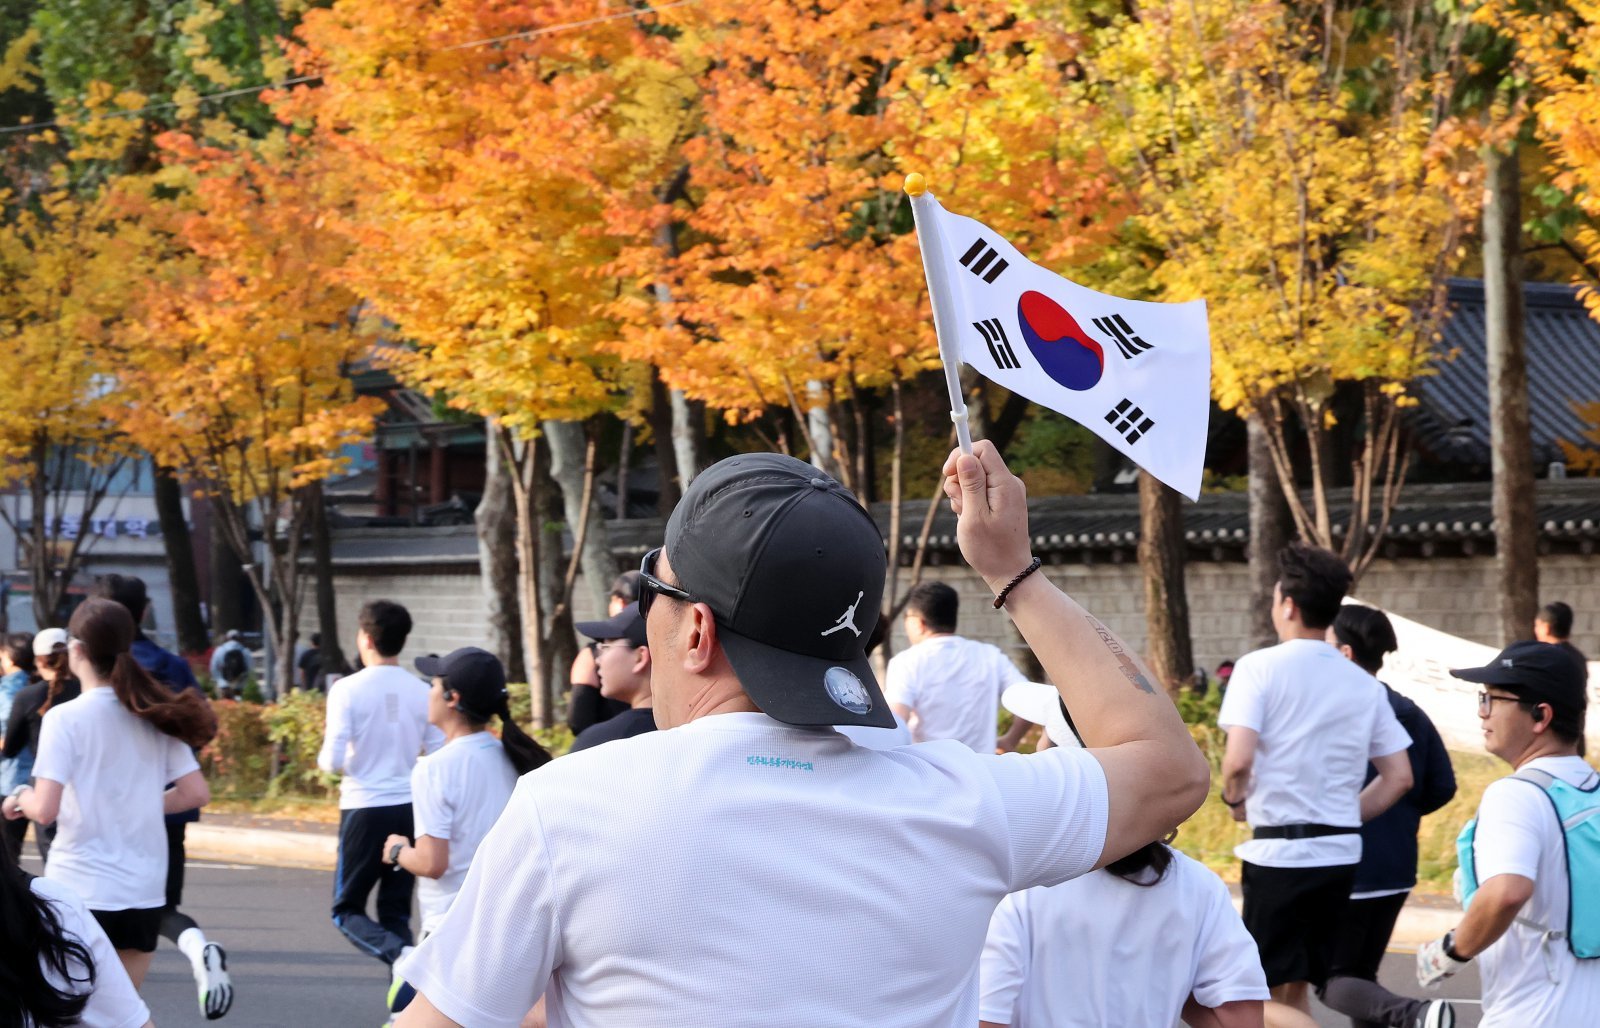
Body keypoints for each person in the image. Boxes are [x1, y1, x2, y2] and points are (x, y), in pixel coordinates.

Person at [390, 444, 1210, 1028]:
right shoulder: (962, 803)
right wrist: (1014, 571)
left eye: (653, 595)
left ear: (697, 632)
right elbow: (1168, 769)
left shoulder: (565, 811)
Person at [979, 681, 1274, 1027]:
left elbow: (986, 1019)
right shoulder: (1198, 886)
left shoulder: (1014, 885)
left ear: (1060, 768)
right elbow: (1240, 1021)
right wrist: (1168, 979)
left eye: (1045, 740)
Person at [1218, 543, 1415, 1025]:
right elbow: (1400, 777)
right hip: (1340, 857)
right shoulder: (1362, 683)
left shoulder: (1257, 668)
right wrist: (1347, 815)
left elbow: (1238, 760)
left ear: (1288, 604)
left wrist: (1234, 798)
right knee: (1292, 989)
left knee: (1245, 996)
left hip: (1280, 856)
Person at [1, 598, 215, 993]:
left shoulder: (64, 718)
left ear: (76, 650)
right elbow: (194, 792)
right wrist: (144, 804)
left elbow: (44, 810)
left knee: (70, 1012)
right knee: (125, 1014)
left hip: (80, 893)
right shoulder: (152, 712)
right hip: (144, 893)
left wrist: (18, 798)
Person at [1416, 641, 1600, 1026]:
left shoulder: (1515, 795)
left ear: (1540, 716)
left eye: (1491, 699)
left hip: (1533, 1013)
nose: (1482, 714)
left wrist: (1449, 952)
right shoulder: (1591, 790)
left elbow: (1506, 891)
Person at [382, 647, 552, 1017]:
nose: (428, 692)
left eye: (433, 684)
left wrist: (397, 850)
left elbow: (432, 863)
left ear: (452, 698)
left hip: (449, 930)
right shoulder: (514, 755)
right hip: (507, 927)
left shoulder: (434, 769)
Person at [96, 573, 233, 1019]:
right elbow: (196, 729)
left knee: (88, 927)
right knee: (159, 910)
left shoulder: (95, 673)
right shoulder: (171, 666)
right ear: (143, 612)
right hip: (166, 811)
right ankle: (197, 947)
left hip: (100, 820)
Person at [1321, 605, 1458, 1028]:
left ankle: (1415, 1014)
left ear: (1344, 654)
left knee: (1331, 980)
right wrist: (1399, 817)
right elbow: (1442, 785)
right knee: (1362, 979)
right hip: (1397, 867)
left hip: (1346, 866)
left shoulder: (1328, 714)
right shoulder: (1410, 711)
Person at [317, 599, 444, 968]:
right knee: (396, 912)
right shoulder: (421, 690)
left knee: (345, 909)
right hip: (409, 808)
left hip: (363, 807)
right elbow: (435, 752)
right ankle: (400, 1011)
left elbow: (332, 760)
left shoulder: (346, 689)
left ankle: (401, 957)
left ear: (366, 639)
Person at [1, 833, 153, 1028]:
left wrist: (20, 803)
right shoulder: (55, 905)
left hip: (77, 885)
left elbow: (42, 810)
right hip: (137, 887)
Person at [886, 580, 1031, 753]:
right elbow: (1029, 702)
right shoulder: (990, 656)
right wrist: (1010, 740)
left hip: (929, 771)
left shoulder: (906, 662)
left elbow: (897, 719)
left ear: (919, 623)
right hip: (981, 771)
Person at [2, 629, 81, 863]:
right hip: (82, 783)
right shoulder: (85, 692)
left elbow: (10, 748)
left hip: (42, 784)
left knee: (45, 856)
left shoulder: (27, 696)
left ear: (38, 660)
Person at [569, 602, 656, 752]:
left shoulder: (598, 743)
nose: (598, 659)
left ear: (640, 657)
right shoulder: (697, 729)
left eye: (606, 648)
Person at [567, 571, 639, 735]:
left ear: (619, 602)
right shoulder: (667, 647)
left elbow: (578, 719)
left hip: (604, 747)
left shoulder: (592, 654)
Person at [1, 632, 35, 861]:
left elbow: (5, 740)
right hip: (31, 782)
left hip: (8, 781)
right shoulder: (39, 687)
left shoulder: (7, 692)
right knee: (12, 853)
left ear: (11, 657)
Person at [1534, 601, 1587, 681]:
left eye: (1537, 625)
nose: (1535, 630)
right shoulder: (1578, 658)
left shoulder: (1542, 658)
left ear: (1546, 628)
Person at [209, 630, 250, 700]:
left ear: (227, 638)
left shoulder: (219, 650)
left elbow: (213, 668)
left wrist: (221, 682)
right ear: (239, 638)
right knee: (239, 706)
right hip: (239, 687)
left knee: (224, 708)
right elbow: (249, 669)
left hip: (223, 687)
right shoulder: (245, 651)